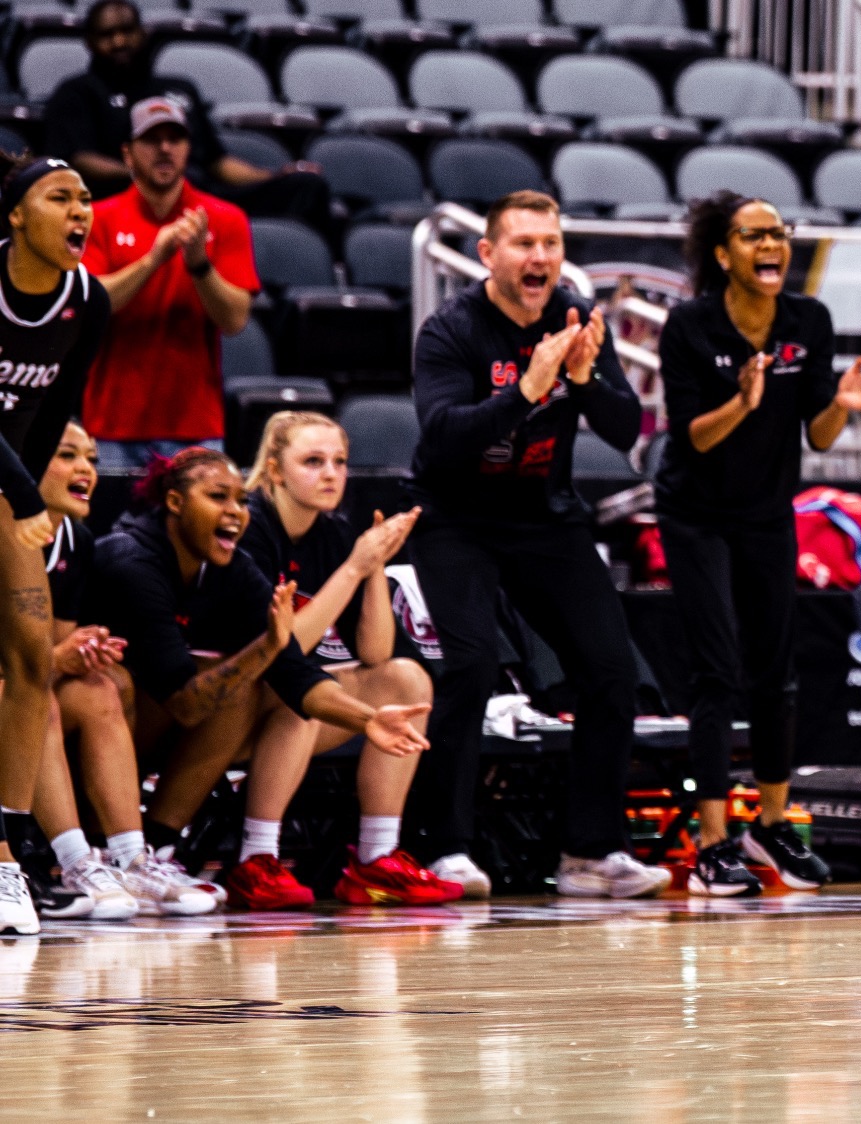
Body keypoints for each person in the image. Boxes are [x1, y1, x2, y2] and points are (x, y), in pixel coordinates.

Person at [405, 190, 669, 900]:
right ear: (488, 254)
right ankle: (445, 849)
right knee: (470, 665)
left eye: (550, 243)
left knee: (613, 669)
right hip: (456, 515)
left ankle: (589, 853)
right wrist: (528, 388)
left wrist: (581, 377)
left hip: (543, 516)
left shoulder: (576, 321)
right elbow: (444, 437)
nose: (540, 257)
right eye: (524, 243)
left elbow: (623, 428)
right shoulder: (450, 331)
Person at [655, 190, 861, 897]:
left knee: (777, 672)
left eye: (779, 233)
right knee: (717, 672)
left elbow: (816, 434)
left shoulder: (807, 321)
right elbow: (692, 437)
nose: (772, 246)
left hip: (766, 511)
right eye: (754, 235)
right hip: (695, 513)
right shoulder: (688, 327)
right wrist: (745, 401)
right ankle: (715, 842)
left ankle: (774, 827)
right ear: (723, 254)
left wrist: (841, 407)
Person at [88, 448, 432, 910]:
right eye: (217, 497)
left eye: (239, 500)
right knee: (202, 679)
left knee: (250, 681)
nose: (234, 511)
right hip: (91, 727)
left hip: (170, 726)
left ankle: (156, 850)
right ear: (174, 502)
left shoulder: (231, 566)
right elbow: (186, 701)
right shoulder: (132, 560)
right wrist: (266, 647)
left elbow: (295, 671)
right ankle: (125, 853)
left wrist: (368, 719)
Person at [235, 412, 458, 907]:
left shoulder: (331, 532)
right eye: (312, 461)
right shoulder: (247, 526)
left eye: (339, 461)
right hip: (221, 703)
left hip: (277, 698)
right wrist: (354, 566)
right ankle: (257, 859)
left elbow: (374, 654)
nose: (331, 473)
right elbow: (280, 651)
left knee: (405, 680)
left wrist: (373, 568)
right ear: (274, 470)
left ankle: (377, 859)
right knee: (306, 694)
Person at [29, 422, 220, 920]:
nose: (85, 470)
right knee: (34, 698)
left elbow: (49, 647)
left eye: (91, 458)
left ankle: (130, 858)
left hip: (18, 687)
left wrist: (79, 652)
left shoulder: (73, 537)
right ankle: (73, 863)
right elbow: (28, 669)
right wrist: (53, 661)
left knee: (102, 687)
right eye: (68, 455)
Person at [0, 153, 112, 937]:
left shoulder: (88, 303)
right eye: (60, 196)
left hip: (4, 485)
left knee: (32, 659)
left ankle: (7, 851)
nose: (82, 211)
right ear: (14, 215)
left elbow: (54, 415)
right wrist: (18, 495)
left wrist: (28, 503)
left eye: (87, 200)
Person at [79, 95, 257, 469]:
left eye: (174, 139)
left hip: (194, 425)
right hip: (112, 425)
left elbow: (234, 319)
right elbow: (92, 306)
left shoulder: (225, 219)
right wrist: (154, 259)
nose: (164, 149)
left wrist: (200, 266)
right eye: (151, 140)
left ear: (188, 148)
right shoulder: (97, 219)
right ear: (128, 153)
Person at [43, 0, 331, 229]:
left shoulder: (179, 88)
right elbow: (78, 159)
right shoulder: (76, 92)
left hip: (202, 193)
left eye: (127, 31)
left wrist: (273, 176)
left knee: (307, 186)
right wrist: (149, 176)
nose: (119, 41)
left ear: (142, 34)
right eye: (107, 35)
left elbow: (217, 162)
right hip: (133, 198)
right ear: (89, 42)